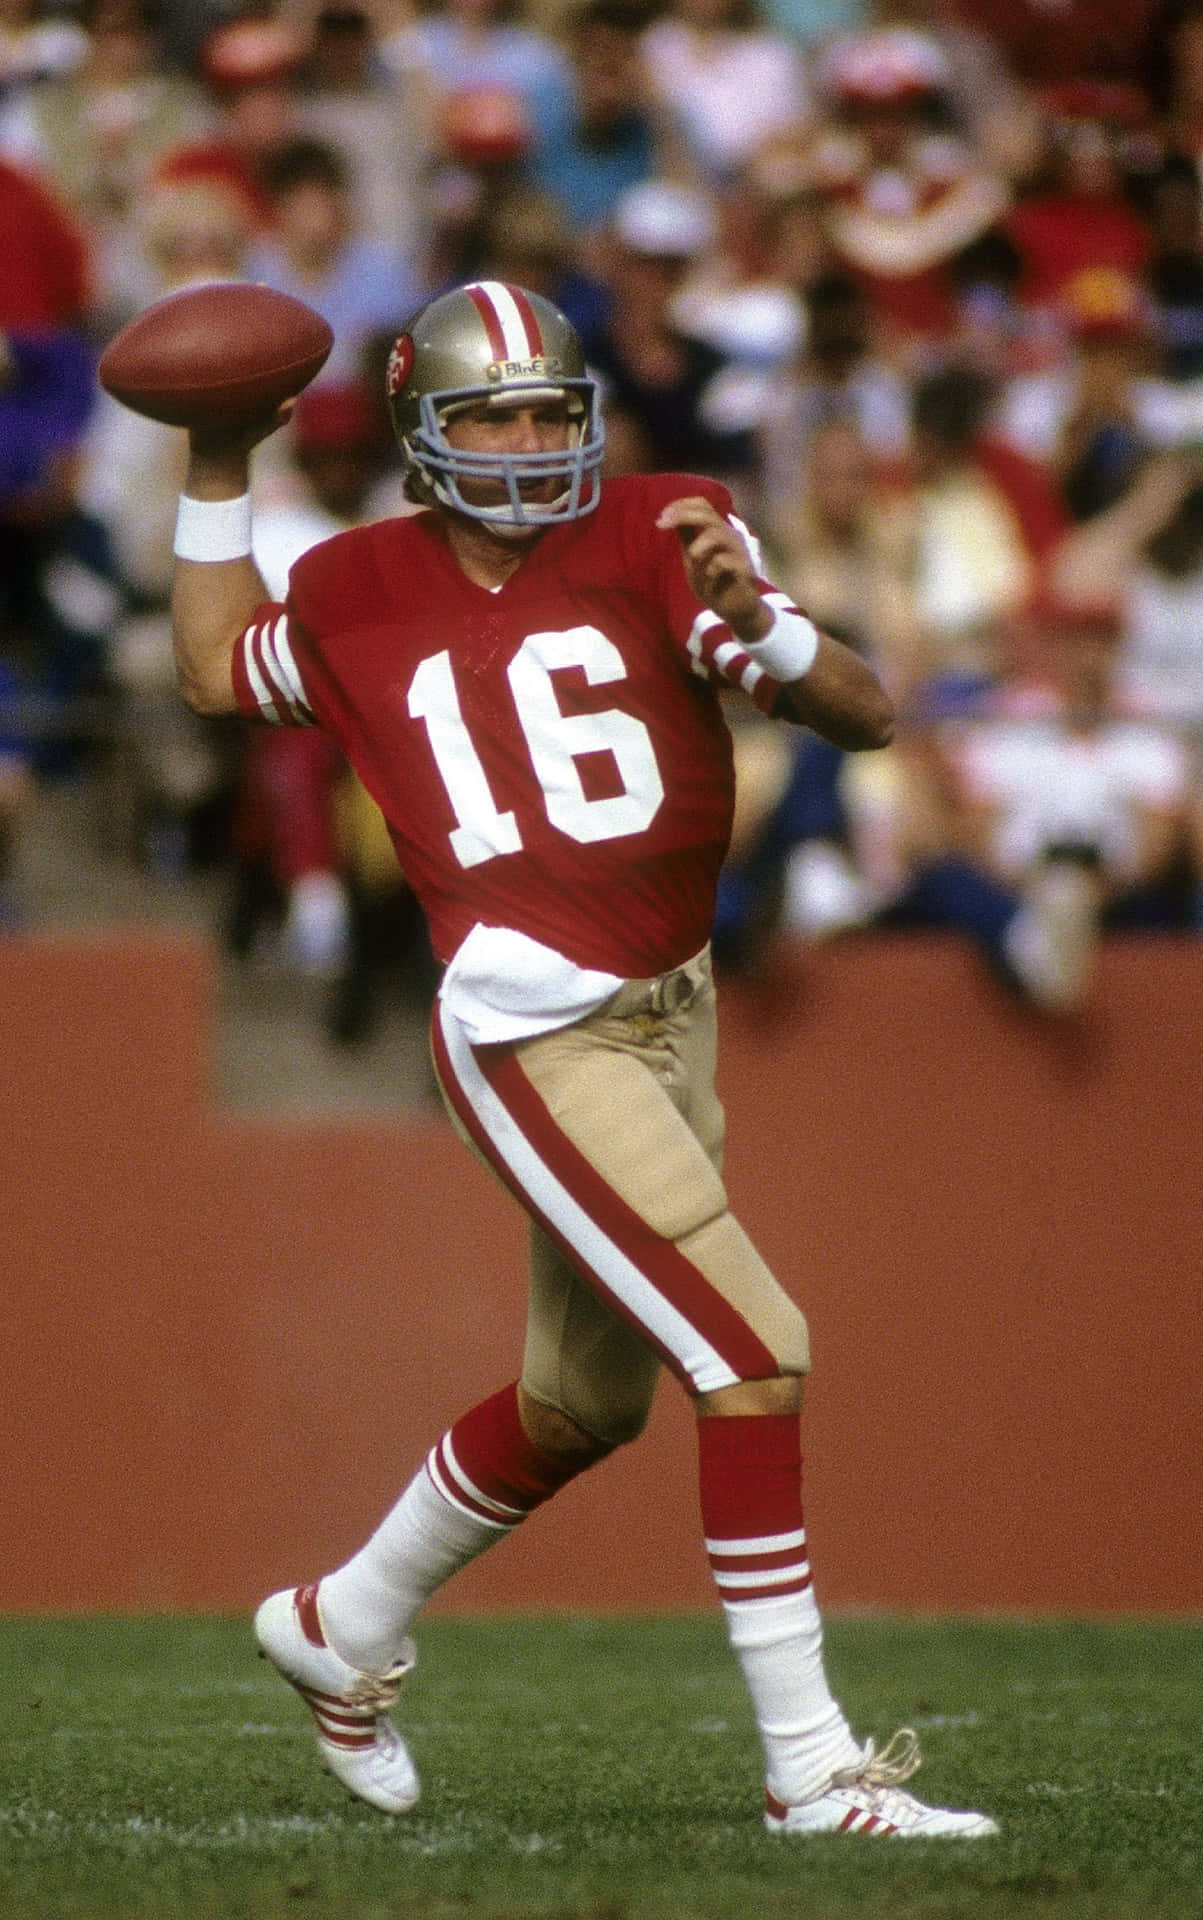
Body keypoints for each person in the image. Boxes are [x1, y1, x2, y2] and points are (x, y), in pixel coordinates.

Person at [167, 278, 997, 1840]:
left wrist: (765, 625)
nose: (536, 439)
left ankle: (340, 1625)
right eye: (498, 414)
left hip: (672, 1009)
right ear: (427, 436)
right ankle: (811, 1770)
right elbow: (216, 673)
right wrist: (217, 472)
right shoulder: (354, 585)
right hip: (531, 1021)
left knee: (581, 1403)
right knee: (752, 1354)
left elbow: (868, 716)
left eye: (556, 409)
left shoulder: (662, 526)